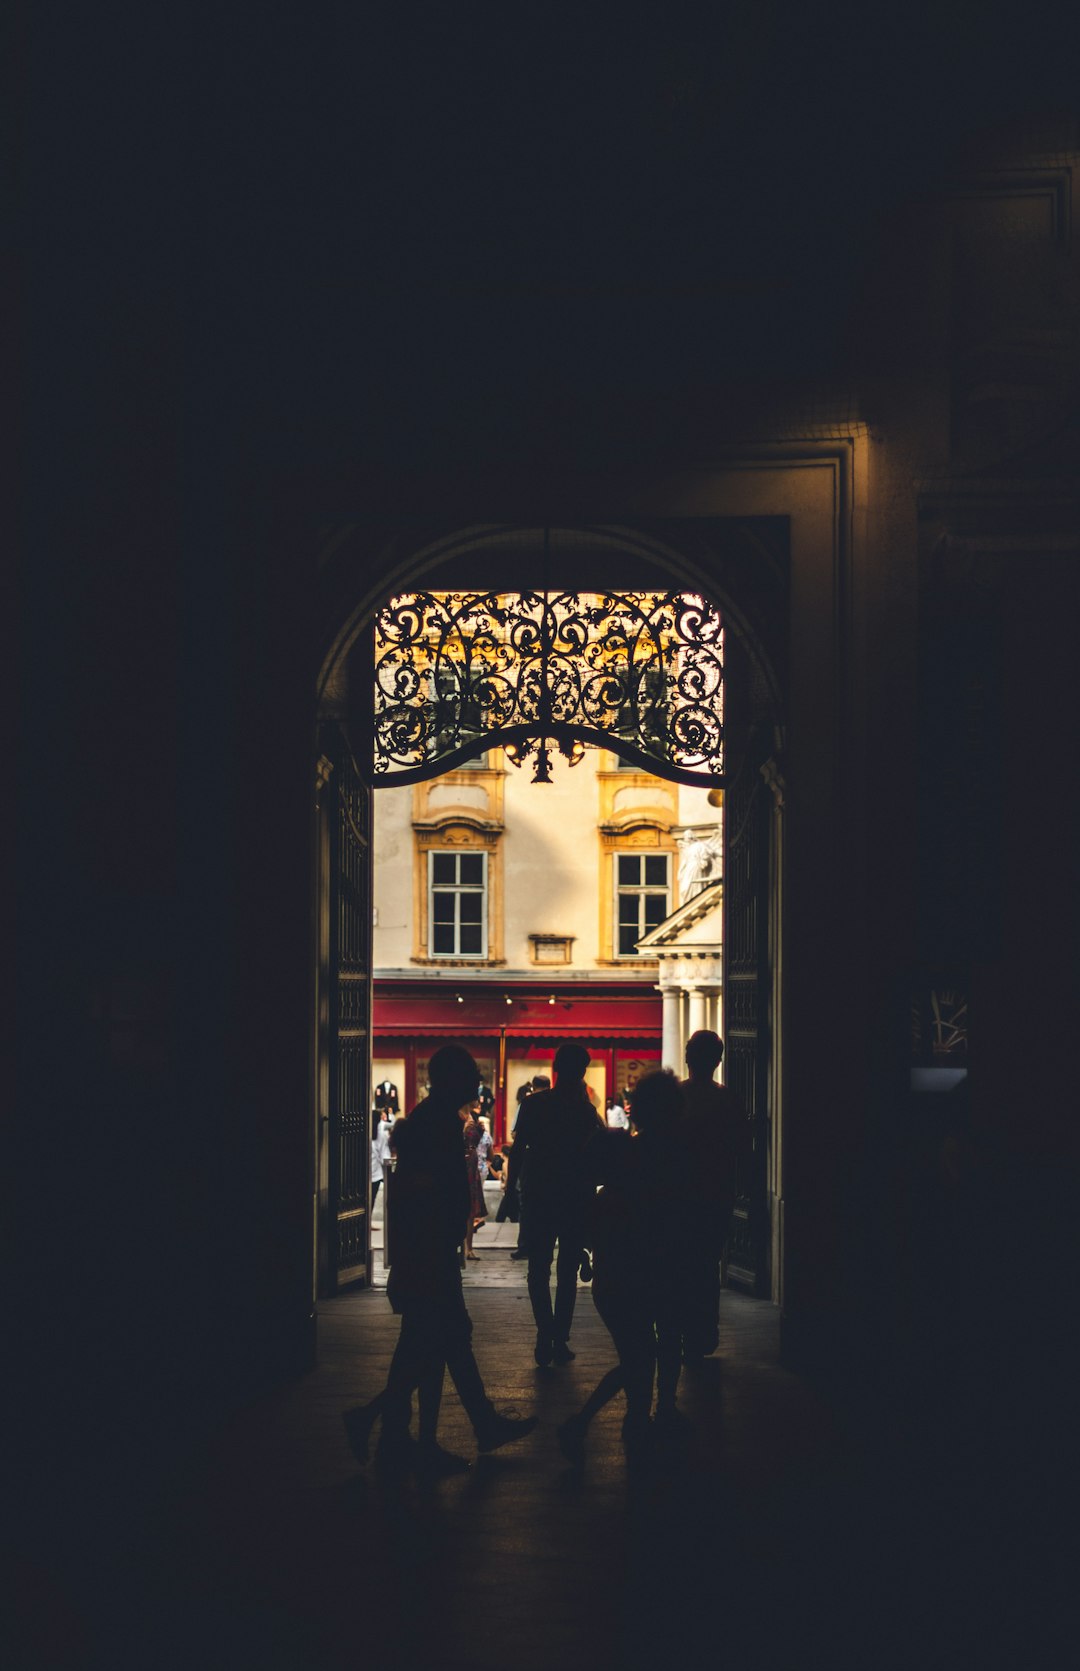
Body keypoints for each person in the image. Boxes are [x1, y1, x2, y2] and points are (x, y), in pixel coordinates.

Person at [342, 1045, 537, 1479]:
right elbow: (431, 1192)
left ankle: (403, 1436)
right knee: (438, 1345)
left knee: (428, 1347)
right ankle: (414, 1431)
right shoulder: (438, 1127)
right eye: (468, 1077)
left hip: (427, 1252)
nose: (475, 1085)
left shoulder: (433, 1122)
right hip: (429, 1254)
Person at [558, 1068, 684, 1465]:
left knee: (638, 1355)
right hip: (645, 1270)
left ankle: (632, 1417)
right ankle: (598, 1420)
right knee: (647, 1352)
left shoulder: (612, 1186)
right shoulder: (658, 1160)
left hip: (618, 1278)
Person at [508, 1042, 604, 1365]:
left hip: (540, 1195)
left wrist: (511, 1190)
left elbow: (519, 1149)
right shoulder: (586, 1111)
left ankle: (545, 1332)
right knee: (567, 1271)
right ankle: (558, 1336)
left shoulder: (534, 1105)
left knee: (538, 1269)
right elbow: (598, 1152)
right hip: (575, 1198)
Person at [676, 1030, 752, 1364]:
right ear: (718, 1062)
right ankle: (704, 1331)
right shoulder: (729, 1100)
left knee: (679, 1263)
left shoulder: (674, 1098)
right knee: (707, 1265)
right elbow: (742, 1147)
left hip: (677, 1195)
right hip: (716, 1192)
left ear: (688, 1057)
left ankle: (681, 1328)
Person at [461, 1097, 485, 1258]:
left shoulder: (473, 1117)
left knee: (470, 1210)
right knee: (463, 1207)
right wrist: (463, 1131)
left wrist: (480, 1130)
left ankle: (469, 1247)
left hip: (472, 1162)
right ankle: (462, 1247)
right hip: (462, 1162)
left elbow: (476, 1140)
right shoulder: (458, 1117)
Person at [370, 1110, 393, 1210]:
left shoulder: (365, 1132)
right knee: (372, 1198)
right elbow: (385, 1156)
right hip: (376, 1172)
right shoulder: (381, 1135)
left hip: (365, 1171)